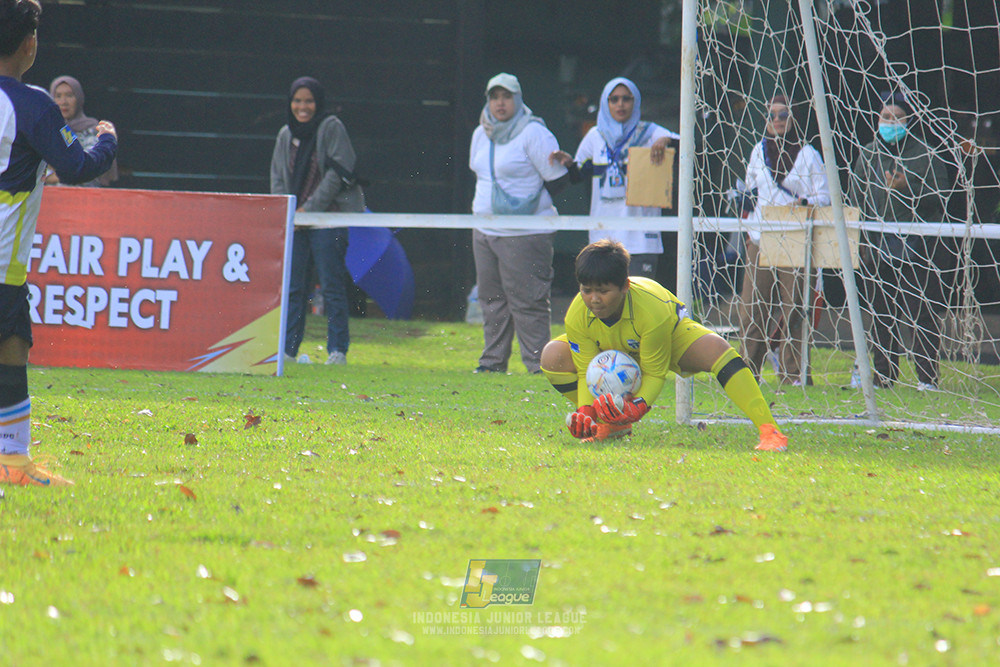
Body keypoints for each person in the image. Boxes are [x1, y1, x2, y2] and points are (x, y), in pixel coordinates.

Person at [0, 0, 117, 486]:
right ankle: (12, 462)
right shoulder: (32, 104)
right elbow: (77, 167)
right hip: (2, 265)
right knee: (10, 350)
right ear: (29, 44)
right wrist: (107, 139)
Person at [540, 240, 788, 451]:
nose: (593, 299)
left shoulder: (651, 309)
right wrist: (586, 411)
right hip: (614, 348)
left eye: (603, 291)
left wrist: (638, 406)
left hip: (669, 338)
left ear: (625, 286)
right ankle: (612, 425)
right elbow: (587, 371)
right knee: (553, 355)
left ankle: (770, 431)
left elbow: (654, 372)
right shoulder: (576, 314)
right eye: (586, 290)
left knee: (718, 350)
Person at [848, 92, 951, 390]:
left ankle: (927, 379)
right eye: (885, 117)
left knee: (922, 313)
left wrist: (908, 188)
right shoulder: (867, 154)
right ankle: (882, 375)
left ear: (909, 122)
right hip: (878, 246)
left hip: (919, 246)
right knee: (881, 313)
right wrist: (863, 241)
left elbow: (943, 198)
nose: (890, 123)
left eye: (897, 118)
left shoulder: (926, 154)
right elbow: (857, 200)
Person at [469, 73, 569, 374]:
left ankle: (540, 367)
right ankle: (492, 363)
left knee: (528, 302)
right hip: (484, 229)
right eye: (494, 96)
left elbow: (559, 181)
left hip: (526, 232)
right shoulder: (481, 132)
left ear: (518, 98)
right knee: (491, 300)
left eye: (507, 96)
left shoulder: (533, 132)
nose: (500, 103)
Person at [270, 76, 365, 366]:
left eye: (308, 101)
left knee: (331, 285)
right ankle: (287, 350)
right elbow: (277, 177)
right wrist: (286, 212)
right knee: (294, 287)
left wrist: (309, 210)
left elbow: (336, 174)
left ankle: (338, 351)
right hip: (295, 223)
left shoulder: (331, 127)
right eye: (297, 100)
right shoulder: (286, 134)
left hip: (327, 220)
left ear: (318, 102)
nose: (303, 107)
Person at [738, 95, 829, 385]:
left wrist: (803, 203)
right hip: (762, 238)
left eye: (783, 115)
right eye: (772, 115)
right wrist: (748, 228)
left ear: (793, 119)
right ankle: (746, 371)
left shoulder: (808, 154)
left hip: (797, 239)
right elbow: (750, 193)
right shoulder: (757, 151)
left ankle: (794, 375)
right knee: (753, 308)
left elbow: (825, 196)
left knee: (795, 308)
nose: (776, 120)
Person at [550, 77, 679, 278]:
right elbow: (577, 176)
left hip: (641, 238)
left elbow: (686, 149)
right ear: (605, 102)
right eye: (614, 99)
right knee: (603, 300)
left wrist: (667, 140)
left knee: (638, 301)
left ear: (635, 102)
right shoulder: (595, 135)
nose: (620, 104)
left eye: (626, 99)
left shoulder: (650, 132)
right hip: (604, 238)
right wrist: (567, 163)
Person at [43, 75, 117, 187]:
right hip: (50, 200)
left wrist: (57, 174)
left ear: (79, 98)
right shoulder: (45, 131)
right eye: (58, 96)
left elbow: (89, 166)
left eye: (69, 95)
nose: (64, 102)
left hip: (85, 198)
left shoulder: (93, 129)